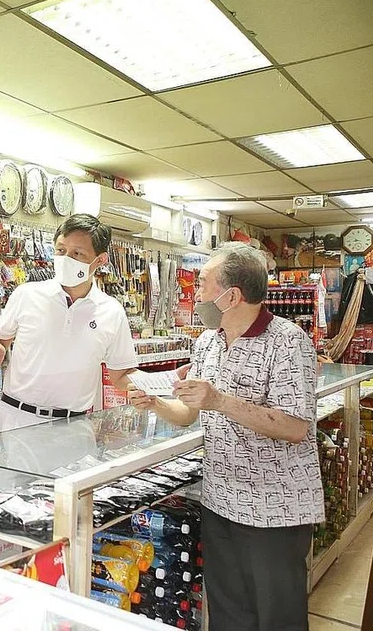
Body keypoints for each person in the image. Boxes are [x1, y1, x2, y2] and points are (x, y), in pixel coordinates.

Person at [129, 242, 324, 631]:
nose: (195, 293)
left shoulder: (288, 341)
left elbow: (295, 426)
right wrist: (154, 403)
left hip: (275, 510)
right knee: (228, 613)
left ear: (231, 295)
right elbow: (188, 415)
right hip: (220, 501)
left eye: (202, 284)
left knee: (277, 616)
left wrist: (219, 399)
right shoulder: (207, 343)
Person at [0, 214, 137, 433]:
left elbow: (121, 375)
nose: (66, 258)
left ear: (100, 260)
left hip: (73, 426)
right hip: (16, 420)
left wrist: (159, 385)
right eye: (61, 250)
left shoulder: (111, 311)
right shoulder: (27, 294)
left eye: (78, 253)